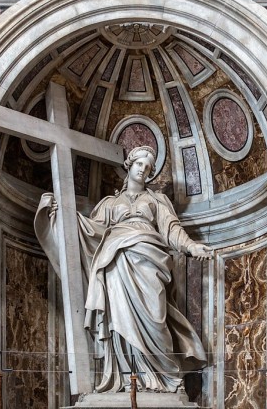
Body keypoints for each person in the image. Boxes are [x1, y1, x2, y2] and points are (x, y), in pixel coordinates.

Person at [36, 146, 212, 393]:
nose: (144, 170)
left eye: (148, 168)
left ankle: (163, 378)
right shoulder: (110, 203)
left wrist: (192, 247)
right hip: (116, 262)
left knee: (155, 317)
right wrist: (63, 216)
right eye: (140, 164)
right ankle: (126, 377)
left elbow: (172, 230)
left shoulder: (157, 201)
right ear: (129, 166)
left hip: (149, 260)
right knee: (119, 319)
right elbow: (89, 230)